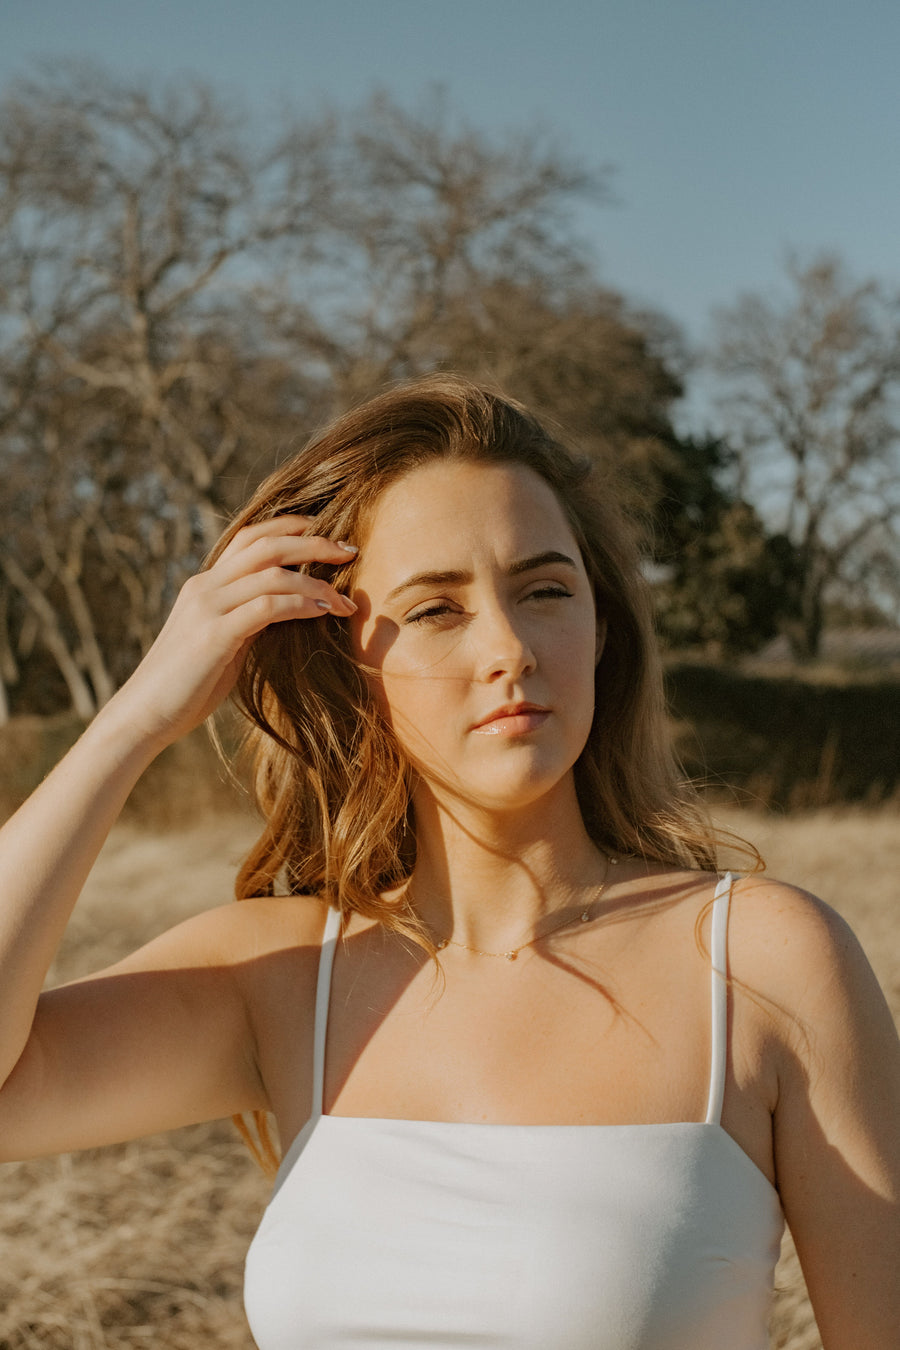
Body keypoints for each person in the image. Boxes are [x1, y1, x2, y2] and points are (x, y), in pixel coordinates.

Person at [0, 376, 897, 1349]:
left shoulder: (759, 961)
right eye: (436, 609)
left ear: (601, 630)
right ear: (346, 660)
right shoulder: (282, 976)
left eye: (546, 590)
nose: (510, 646)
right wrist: (135, 720)